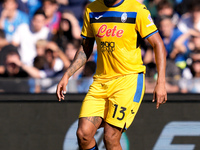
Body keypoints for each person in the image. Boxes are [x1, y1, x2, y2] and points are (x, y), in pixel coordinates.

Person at [56, 0, 167, 149]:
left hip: (128, 80)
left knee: (111, 137)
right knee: (83, 135)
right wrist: (67, 74)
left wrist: (161, 82)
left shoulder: (136, 9)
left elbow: (158, 44)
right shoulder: (92, 10)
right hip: (101, 82)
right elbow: (85, 47)